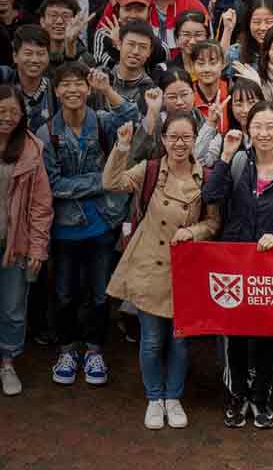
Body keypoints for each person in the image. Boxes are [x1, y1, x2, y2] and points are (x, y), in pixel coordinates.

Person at [103, 111, 218, 430]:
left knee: (181, 341)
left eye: (186, 137)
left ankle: (173, 397)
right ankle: (154, 397)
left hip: (185, 269)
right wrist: (121, 147)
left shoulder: (205, 177)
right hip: (149, 264)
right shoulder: (151, 169)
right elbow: (112, 183)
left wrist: (193, 232)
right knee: (152, 339)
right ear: (163, 140)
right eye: (173, 137)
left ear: (195, 139)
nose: (179, 144)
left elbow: (213, 222)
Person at [203, 101, 273, 429]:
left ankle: (261, 397)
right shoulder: (237, 164)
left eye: (270, 127)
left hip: (271, 263)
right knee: (235, 332)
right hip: (234, 261)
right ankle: (237, 397)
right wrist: (225, 156)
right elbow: (211, 195)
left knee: (265, 334)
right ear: (248, 129)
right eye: (257, 127)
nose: (263, 133)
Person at [36, 62, 139, 387]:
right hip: (64, 229)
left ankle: (95, 350)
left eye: (78, 83)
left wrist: (106, 89)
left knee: (98, 293)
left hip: (102, 224)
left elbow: (132, 118)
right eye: (64, 84)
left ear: (87, 88)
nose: (72, 90)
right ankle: (67, 349)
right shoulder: (47, 133)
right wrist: (102, 180)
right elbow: (53, 185)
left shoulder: (102, 122)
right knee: (64, 293)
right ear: (56, 91)